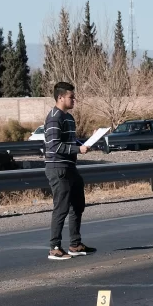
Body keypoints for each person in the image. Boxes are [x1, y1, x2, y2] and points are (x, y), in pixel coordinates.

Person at [45, 82, 94, 260]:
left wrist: (87, 143)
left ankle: (75, 244)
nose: (74, 100)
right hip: (58, 168)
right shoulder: (54, 118)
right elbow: (54, 145)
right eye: (71, 97)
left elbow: (72, 143)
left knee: (78, 205)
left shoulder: (69, 118)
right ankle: (55, 248)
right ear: (60, 97)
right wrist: (77, 150)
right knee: (61, 208)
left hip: (70, 168)